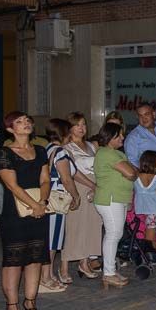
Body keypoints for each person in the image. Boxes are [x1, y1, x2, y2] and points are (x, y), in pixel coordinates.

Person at [0, 112, 52, 310]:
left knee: (35, 257)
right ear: (10, 129)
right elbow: (12, 184)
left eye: (28, 120)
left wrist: (43, 203)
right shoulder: (5, 153)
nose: (25, 124)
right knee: (14, 260)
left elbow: (45, 179)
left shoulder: (40, 150)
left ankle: (30, 301)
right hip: (15, 212)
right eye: (19, 122)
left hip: (39, 208)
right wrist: (34, 204)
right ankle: (12, 304)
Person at [92, 121, 137, 287]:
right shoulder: (107, 153)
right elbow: (131, 172)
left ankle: (110, 270)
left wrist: (130, 173)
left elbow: (131, 172)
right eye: (119, 135)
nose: (123, 138)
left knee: (115, 234)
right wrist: (130, 173)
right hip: (110, 199)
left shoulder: (116, 153)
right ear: (110, 137)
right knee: (113, 234)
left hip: (119, 198)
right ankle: (108, 273)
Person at [62, 113, 104, 279]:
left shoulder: (91, 146)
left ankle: (84, 261)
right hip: (79, 185)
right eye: (77, 125)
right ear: (70, 128)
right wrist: (91, 185)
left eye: (84, 124)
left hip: (94, 187)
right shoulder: (67, 147)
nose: (81, 128)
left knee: (91, 225)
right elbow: (72, 171)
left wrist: (97, 185)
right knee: (74, 226)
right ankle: (64, 267)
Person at [41, 119, 80, 293]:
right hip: (58, 198)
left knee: (49, 239)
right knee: (53, 240)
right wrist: (76, 195)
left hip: (48, 196)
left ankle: (47, 275)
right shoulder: (60, 153)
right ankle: (45, 277)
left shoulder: (47, 148)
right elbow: (66, 178)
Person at [123, 104, 156, 176]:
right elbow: (132, 162)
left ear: (154, 114)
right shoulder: (133, 137)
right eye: (140, 116)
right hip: (150, 181)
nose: (144, 118)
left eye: (146, 114)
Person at [133, 150, 156, 254]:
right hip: (154, 211)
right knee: (148, 239)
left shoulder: (135, 177)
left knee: (146, 239)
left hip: (139, 211)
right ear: (154, 163)